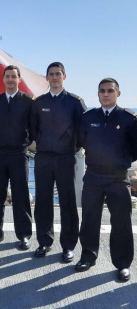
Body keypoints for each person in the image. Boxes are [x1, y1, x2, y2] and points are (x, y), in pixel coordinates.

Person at [75, 78, 137, 282]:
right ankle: (88, 256)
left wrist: (119, 161)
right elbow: (81, 141)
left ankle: (122, 264)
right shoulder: (88, 117)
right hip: (93, 176)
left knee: (121, 223)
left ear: (118, 93)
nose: (105, 94)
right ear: (98, 94)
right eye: (102, 91)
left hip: (118, 178)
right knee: (90, 220)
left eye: (110, 90)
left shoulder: (129, 119)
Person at [31, 62, 86, 262]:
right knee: (43, 202)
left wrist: (72, 147)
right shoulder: (38, 102)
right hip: (43, 158)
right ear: (47, 78)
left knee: (68, 203)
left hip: (65, 158)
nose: (54, 77)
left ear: (65, 76)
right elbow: (33, 128)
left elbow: (82, 130)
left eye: (58, 74)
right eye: (51, 74)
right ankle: (44, 242)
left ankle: (69, 246)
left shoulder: (75, 102)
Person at [0, 65, 33, 250]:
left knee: (21, 196)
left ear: (19, 79)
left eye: (14, 76)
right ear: (3, 79)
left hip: (19, 153)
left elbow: (33, 127)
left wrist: (22, 141)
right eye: (8, 76)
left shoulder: (28, 101)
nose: (11, 79)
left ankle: (23, 236)